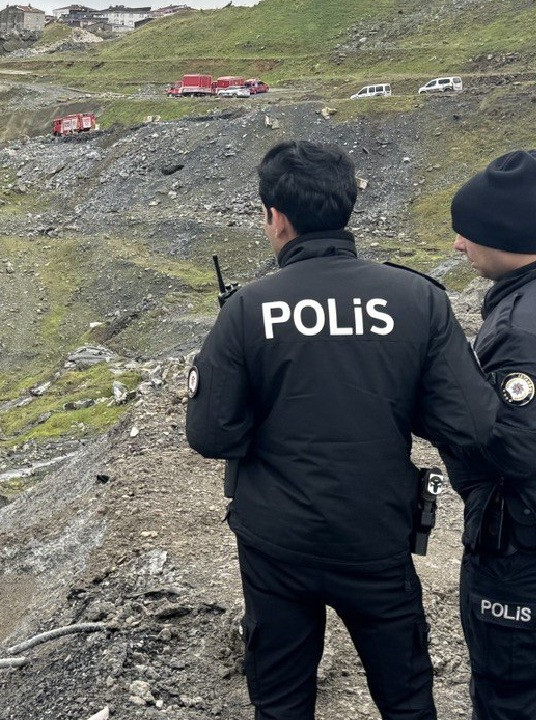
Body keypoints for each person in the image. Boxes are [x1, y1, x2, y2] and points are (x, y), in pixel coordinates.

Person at [186, 140, 500, 720]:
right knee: (406, 698)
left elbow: (210, 436)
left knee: (280, 701)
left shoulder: (248, 309)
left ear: (277, 218)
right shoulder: (417, 298)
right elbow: (474, 423)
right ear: (348, 206)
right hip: (375, 535)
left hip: (276, 542)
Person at [439, 149, 536, 720]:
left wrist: (443, 408)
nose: (458, 244)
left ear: (506, 234)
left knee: (509, 694)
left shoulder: (520, 331)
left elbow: (515, 447)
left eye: (468, 232)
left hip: (517, 551)